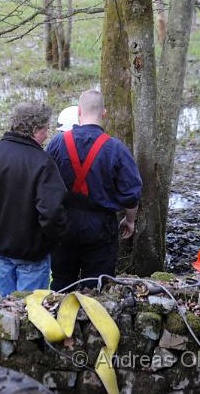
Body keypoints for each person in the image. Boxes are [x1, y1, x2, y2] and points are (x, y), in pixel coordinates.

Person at [46, 90, 142, 291]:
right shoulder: (116, 148)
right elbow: (131, 193)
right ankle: (93, 320)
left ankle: (61, 320)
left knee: (62, 282)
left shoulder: (57, 143)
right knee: (99, 285)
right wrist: (130, 220)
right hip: (100, 226)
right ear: (104, 113)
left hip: (64, 223)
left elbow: (43, 183)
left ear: (79, 111)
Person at [0, 102, 67, 296]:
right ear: (36, 129)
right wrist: (51, 242)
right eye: (46, 129)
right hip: (31, 253)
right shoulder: (42, 162)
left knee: (7, 306)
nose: (47, 135)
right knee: (31, 309)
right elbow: (52, 212)